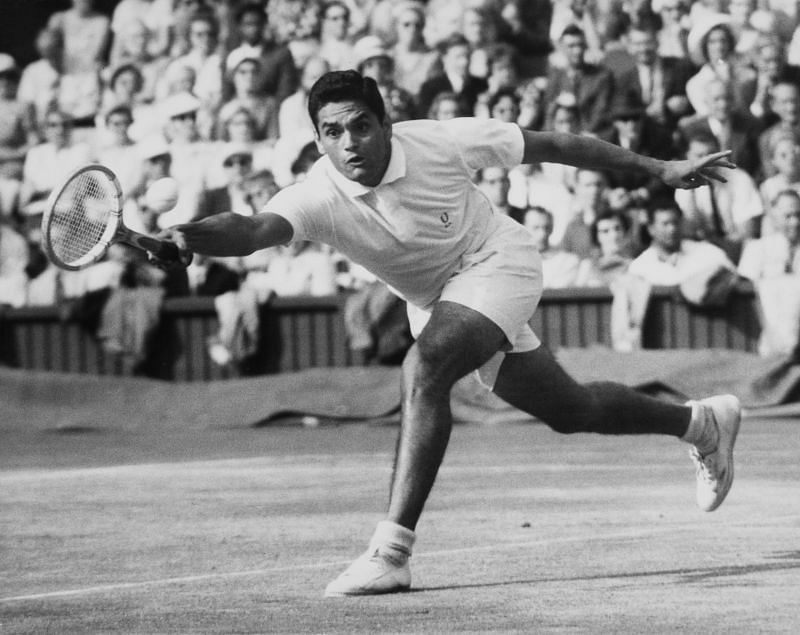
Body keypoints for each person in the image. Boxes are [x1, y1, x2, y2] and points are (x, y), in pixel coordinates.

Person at [153, 70, 742, 597]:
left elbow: (556, 144)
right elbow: (254, 228)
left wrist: (659, 168)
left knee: (423, 369)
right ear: (318, 139)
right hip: (435, 299)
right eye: (332, 133)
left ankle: (391, 552)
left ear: (386, 123)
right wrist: (192, 235)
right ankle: (700, 423)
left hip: (497, 262)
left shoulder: (440, 140)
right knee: (571, 408)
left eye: (361, 126)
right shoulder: (318, 194)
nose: (349, 143)